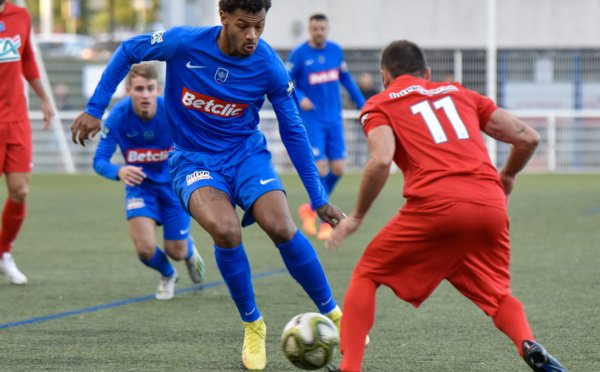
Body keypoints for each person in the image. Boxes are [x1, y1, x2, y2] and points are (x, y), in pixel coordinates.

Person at [70, 0, 345, 370]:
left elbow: (293, 130)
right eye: (243, 25)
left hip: (246, 156)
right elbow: (128, 50)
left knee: (282, 227)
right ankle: (253, 325)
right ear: (224, 18)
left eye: (259, 26)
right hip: (193, 160)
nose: (252, 36)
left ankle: (336, 315)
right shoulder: (183, 43)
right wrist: (95, 107)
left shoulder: (269, 66)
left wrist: (318, 198)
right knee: (226, 231)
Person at [326, 40, 568, 372]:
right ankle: (527, 343)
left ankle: (349, 367)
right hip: (490, 204)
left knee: (367, 274)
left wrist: (356, 217)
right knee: (497, 295)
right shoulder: (460, 93)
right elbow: (528, 138)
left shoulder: (379, 103)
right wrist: (508, 175)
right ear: (426, 74)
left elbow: (381, 160)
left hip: (437, 207)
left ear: (384, 76)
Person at [93, 63, 205, 300]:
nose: (145, 95)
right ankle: (168, 275)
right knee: (144, 250)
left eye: (150, 88)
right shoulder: (117, 117)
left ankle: (187, 249)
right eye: (139, 89)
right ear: (128, 91)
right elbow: (99, 161)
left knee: (176, 250)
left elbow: (196, 143)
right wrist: (119, 171)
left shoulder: (172, 112)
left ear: (159, 90)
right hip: (140, 189)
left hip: (174, 188)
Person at [287, 14, 366, 240]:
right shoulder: (299, 54)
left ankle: (310, 209)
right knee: (320, 169)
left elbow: (347, 80)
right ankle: (323, 214)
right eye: (315, 28)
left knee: (339, 169)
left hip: (334, 118)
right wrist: (299, 96)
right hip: (313, 119)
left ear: (327, 29)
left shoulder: (335, 51)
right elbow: (286, 80)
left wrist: (364, 106)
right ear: (310, 30)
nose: (319, 32)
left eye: (322, 28)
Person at [0, 0, 54, 285]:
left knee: (19, 192)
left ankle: (3, 253)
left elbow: (27, 57)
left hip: (17, 120)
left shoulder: (20, 15)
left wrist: (44, 98)